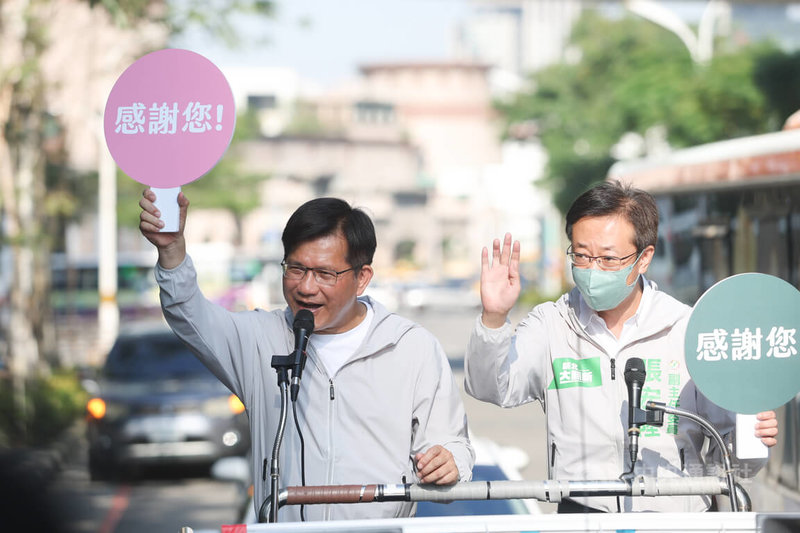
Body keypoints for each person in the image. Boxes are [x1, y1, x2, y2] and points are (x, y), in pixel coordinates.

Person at [139, 191, 474, 522]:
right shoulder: (259, 338)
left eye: (325, 274)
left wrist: (450, 462)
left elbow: (452, 443)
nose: (306, 287)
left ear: (362, 278)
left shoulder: (410, 347)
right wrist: (171, 251)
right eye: (296, 268)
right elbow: (188, 314)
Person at [464, 180, 778, 513]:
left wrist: (752, 439)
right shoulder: (552, 324)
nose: (592, 269)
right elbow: (491, 387)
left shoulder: (686, 329)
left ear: (644, 258)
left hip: (678, 519)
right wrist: (494, 318)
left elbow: (726, 461)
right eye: (581, 255)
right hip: (584, 515)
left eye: (608, 259)